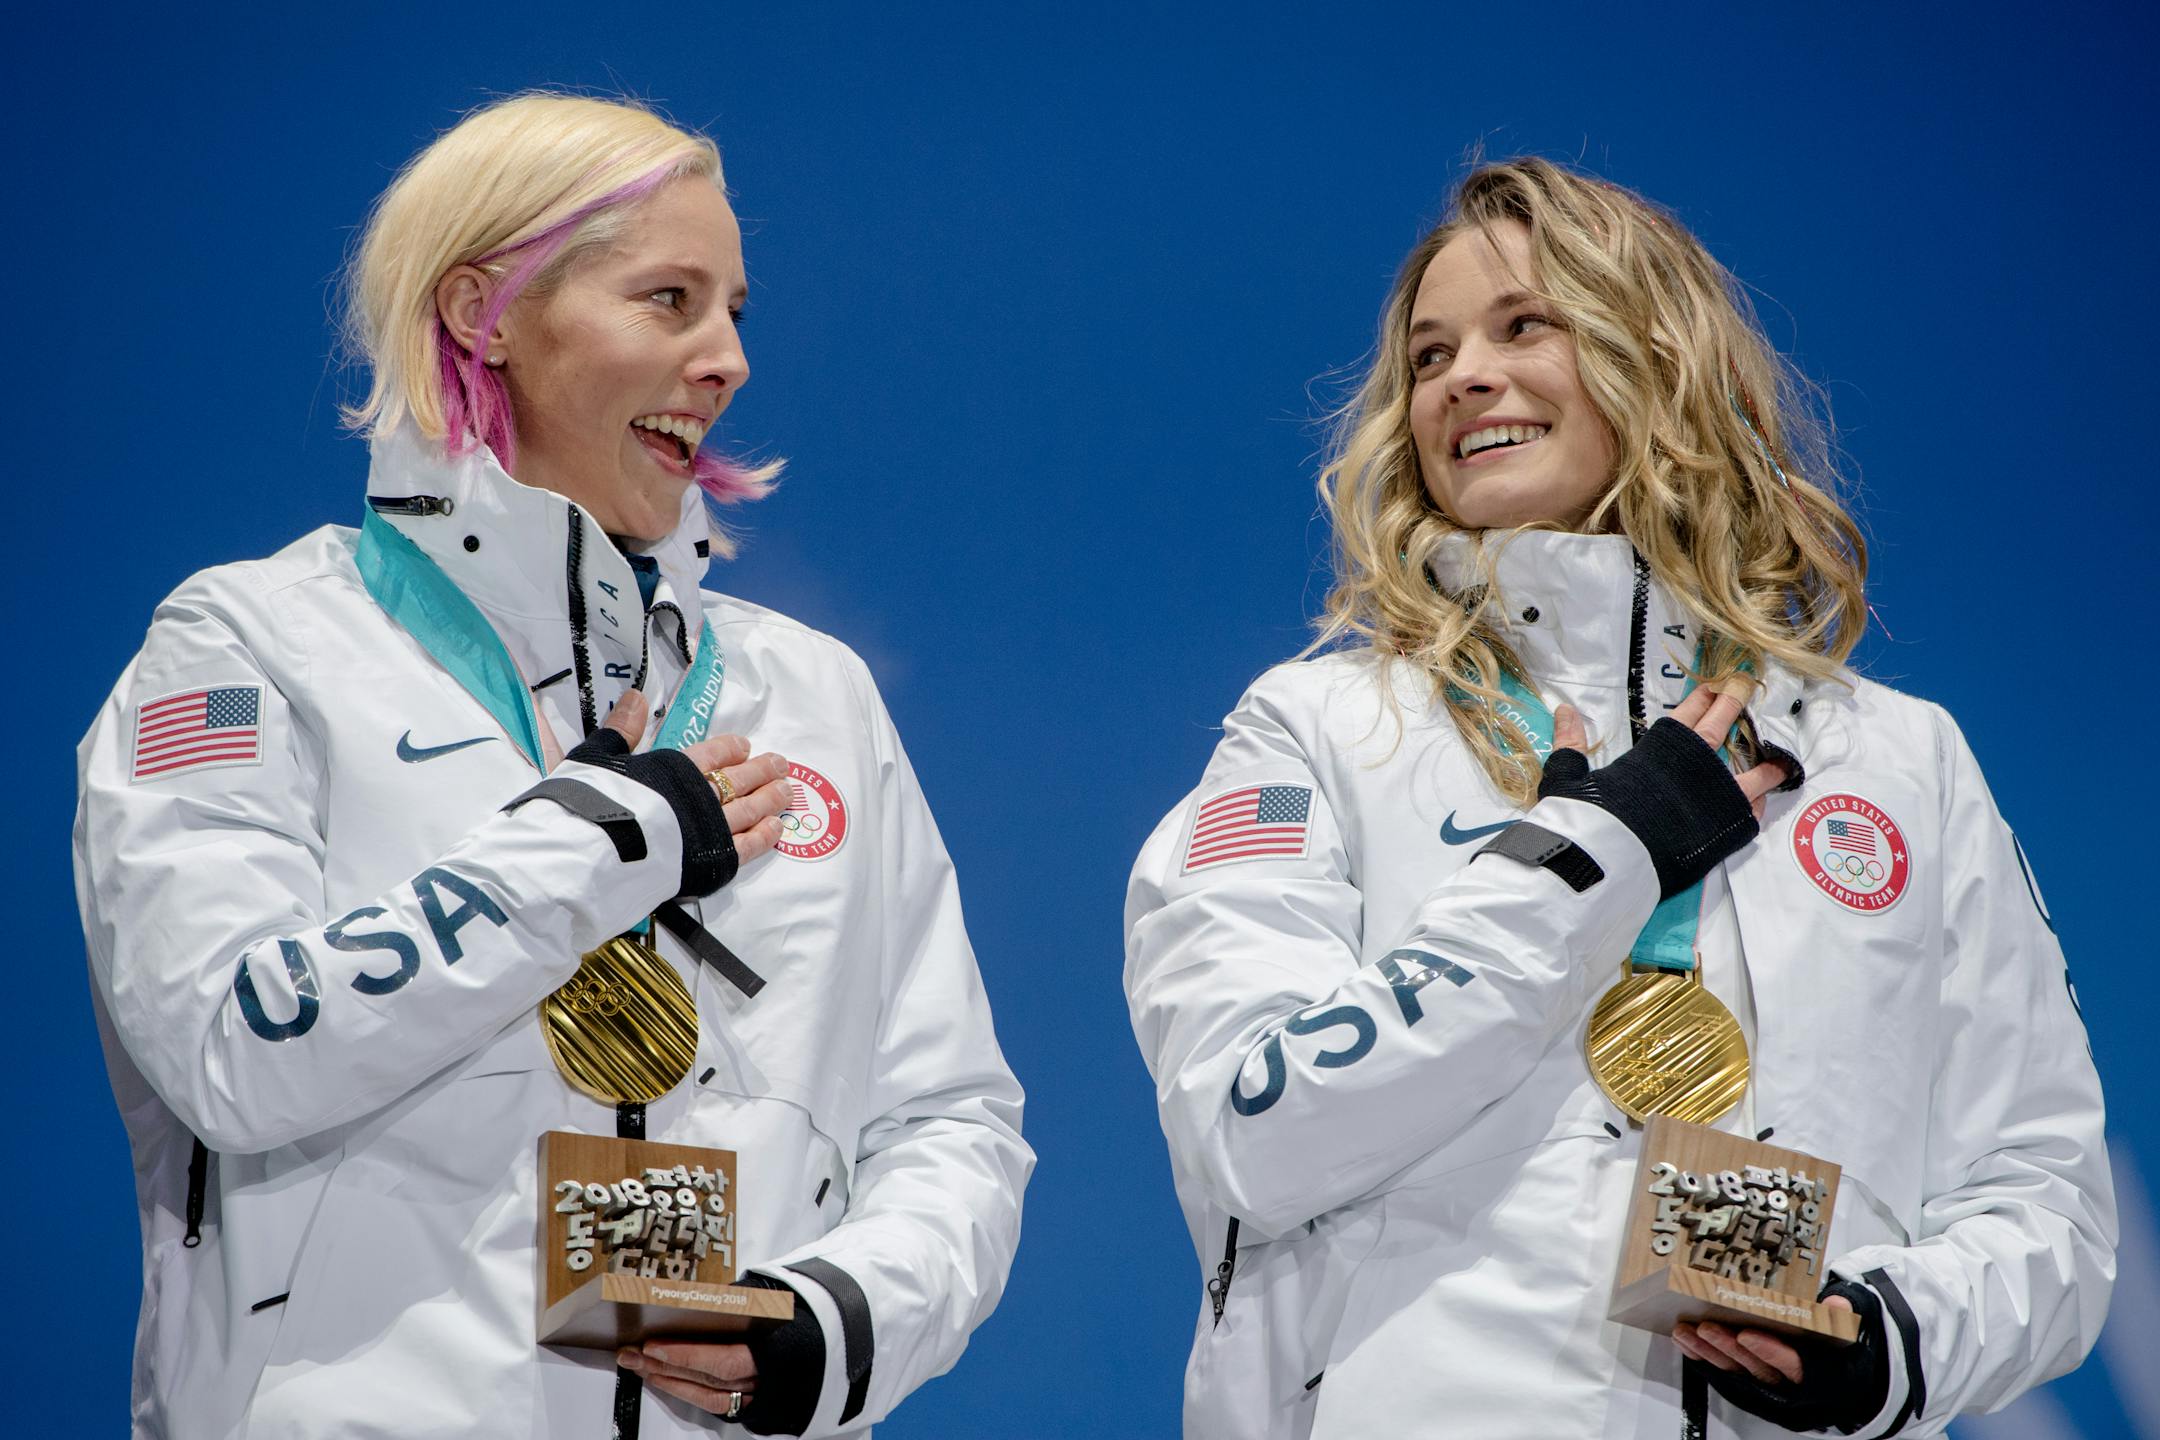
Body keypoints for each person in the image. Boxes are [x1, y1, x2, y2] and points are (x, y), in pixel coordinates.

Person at [75, 93, 1030, 1440]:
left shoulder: (808, 694)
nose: (729, 360)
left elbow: (954, 1120)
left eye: (736, 313)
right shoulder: (248, 650)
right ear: (484, 312)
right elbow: (238, 1043)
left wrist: (835, 1320)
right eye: (670, 300)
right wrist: (599, 842)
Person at [1123, 158, 2113, 1439]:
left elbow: (2048, 1197)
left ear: (1664, 358)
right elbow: (1253, 1124)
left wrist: (1887, 1339)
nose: (1463, 377)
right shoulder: (1320, 729)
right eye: (1428, 357)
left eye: (1523, 325)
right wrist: (1598, 857)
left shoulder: (1896, 760)